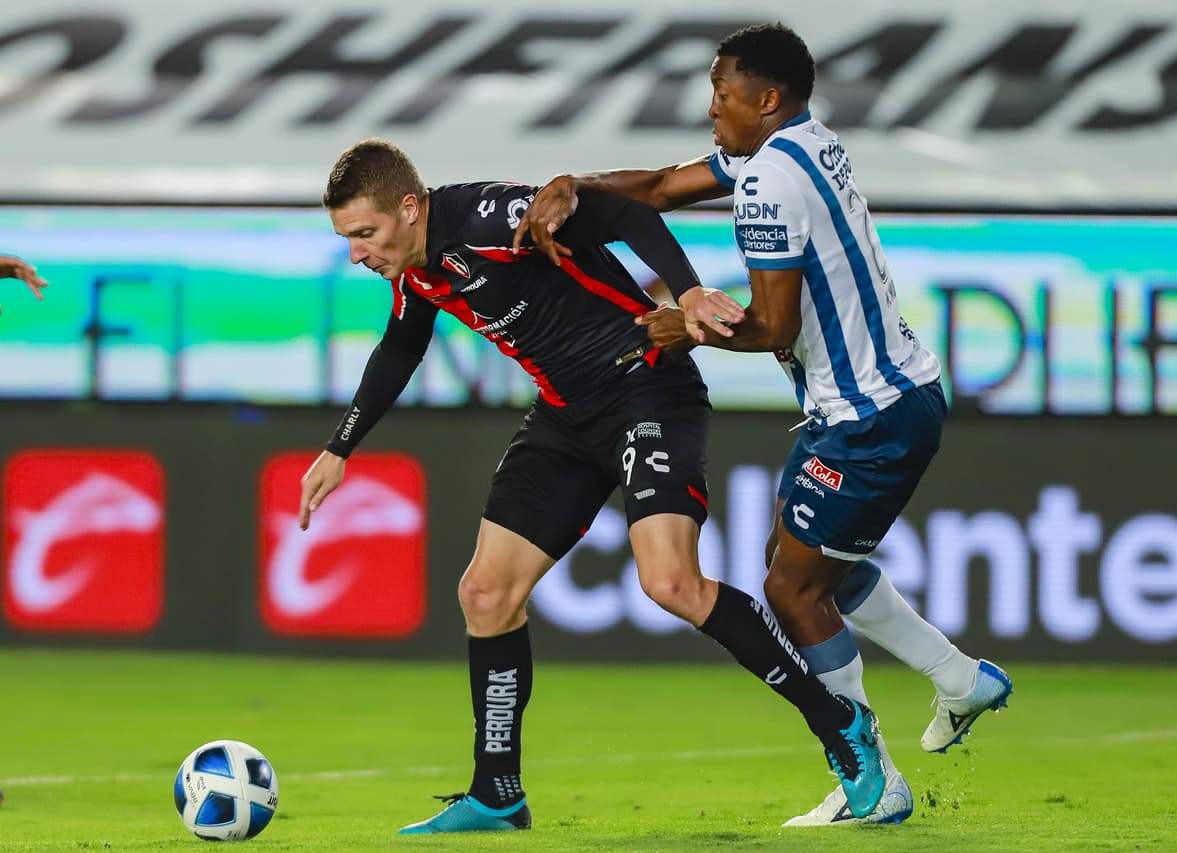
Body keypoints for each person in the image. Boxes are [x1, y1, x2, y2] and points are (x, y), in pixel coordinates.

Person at [298, 138, 886, 835]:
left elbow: (622, 215)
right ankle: (498, 792)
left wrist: (688, 287)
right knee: (485, 594)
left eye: (364, 234)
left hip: (647, 390)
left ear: (408, 206)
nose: (358, 253)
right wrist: (340, 447)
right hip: (565, 417)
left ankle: (840, 721)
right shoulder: (418, 270)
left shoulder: (490, 218)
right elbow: (401, 346)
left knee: (670, 582)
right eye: (347, 239)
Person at [514, 22, 1013, 827]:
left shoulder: (765, 185)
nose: (711, 106)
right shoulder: (802, 144)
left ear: (766, 98)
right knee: (806, 563)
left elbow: (772, 328)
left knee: (790, 588)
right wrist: (573, 182)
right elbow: (663, 187)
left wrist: (682, 323)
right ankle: (958, 678)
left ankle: (871, 777)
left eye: (722, 92)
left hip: (868, 415)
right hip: (877, 399)